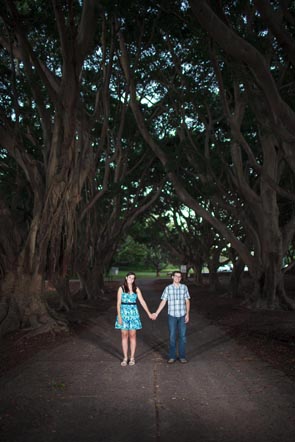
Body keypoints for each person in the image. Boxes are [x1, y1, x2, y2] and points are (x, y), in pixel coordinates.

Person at [115, 271, 153, 366]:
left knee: (132, 335)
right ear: (126, 277)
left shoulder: (136, 289)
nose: (131, 280)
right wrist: (119, 316)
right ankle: (125, 358)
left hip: (133, 314)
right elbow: (118, 303)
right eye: (130, 277)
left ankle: (132, 358)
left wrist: (149, 313)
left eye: (133, 278)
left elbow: (142, 301)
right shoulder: (121, 288)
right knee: (124, 335)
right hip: (123, 313)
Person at [153, 270, 190, 364]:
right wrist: (156, 313)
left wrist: (187, 314)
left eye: (180, 277)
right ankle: (172, 356)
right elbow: (163, 301)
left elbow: (187, 301)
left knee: (182, 336)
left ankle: (182, 356)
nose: (178, 278)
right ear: (172, 277)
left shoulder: (184, 287)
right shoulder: (168, 288)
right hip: (172, 316)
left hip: (182, 315)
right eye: (176, 276)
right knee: (172, 336)